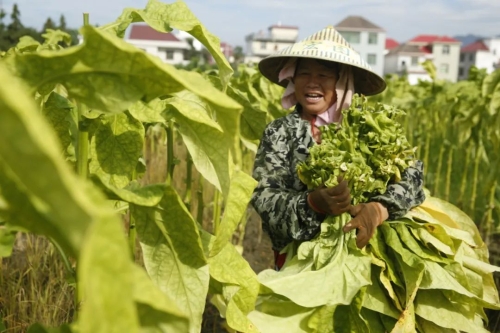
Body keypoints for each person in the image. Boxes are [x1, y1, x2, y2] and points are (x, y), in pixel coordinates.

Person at [250, 26, 426, 270]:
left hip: (370, 259)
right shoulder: (279, 132)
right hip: (301, 261)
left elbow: (412, 176)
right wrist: (312, 204)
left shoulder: (369, 126)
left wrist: (378, 209)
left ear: (343, 81)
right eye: (304, 74)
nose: (312, 83)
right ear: (292, 78)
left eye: (324, 75)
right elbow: (264, 197)